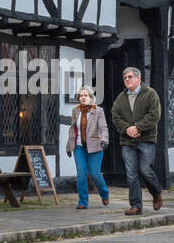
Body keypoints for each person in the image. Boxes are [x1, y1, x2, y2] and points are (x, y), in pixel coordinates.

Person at [110, 66, 163, 215]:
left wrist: (138, 128)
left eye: (130, 77)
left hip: (146, 139)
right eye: (125, 77)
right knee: (131, 174)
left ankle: (156, 193)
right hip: (127, 141)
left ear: (138, 78)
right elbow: (115, 117)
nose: (127, 79)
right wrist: (127, 129)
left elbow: (154, 115)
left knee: (145, 170)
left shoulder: (151, 94)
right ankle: (136, 205)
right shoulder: (120, 98)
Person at [65, 85, 109, 209]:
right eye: (81, 96)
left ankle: (104, 192)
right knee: (81, 174)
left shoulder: (98, 111)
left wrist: (104, 140)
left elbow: (103, 128)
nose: (83, 98)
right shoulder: (75, 110)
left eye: (86, 95)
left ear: (91, 97)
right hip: (79, 147)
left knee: (95, 174)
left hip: (95, 147)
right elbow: (73, 128)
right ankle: (83, 202)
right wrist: (69, 145)